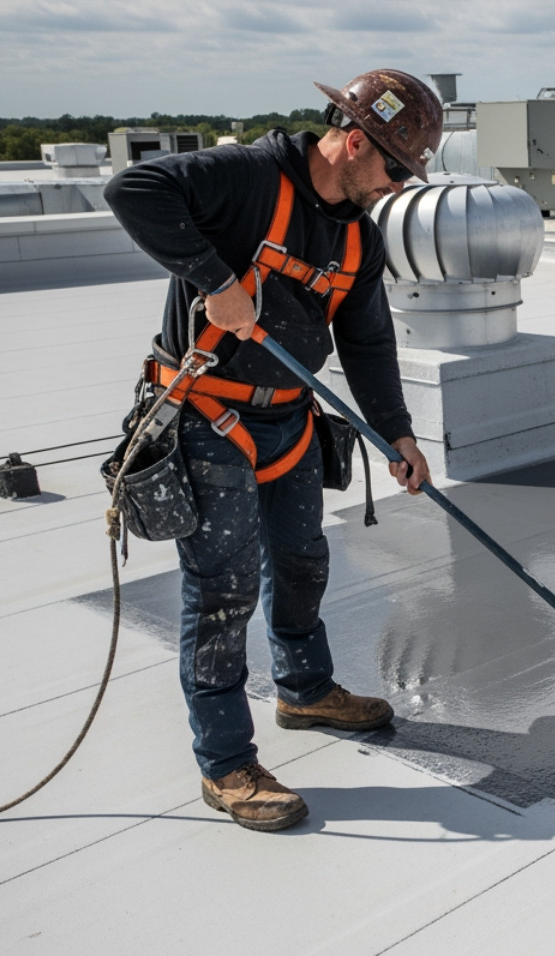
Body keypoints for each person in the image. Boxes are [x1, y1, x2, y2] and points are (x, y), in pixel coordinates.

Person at [105, 70, 442, 832]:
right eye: (394, 170)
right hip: (209, 417)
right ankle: (225, 764)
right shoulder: (251, 179)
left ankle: (305, 689)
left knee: (301, 562)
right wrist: (215, 279)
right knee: (222, 592)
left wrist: (396, 432)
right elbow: (134, 190)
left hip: (289, 421)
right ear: (354, 143)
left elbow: (367, 340)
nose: (394, 188)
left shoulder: (358, 236)